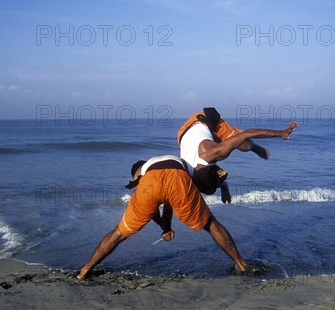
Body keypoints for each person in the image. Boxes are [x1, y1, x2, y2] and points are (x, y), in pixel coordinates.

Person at [77, 155, 248, 279]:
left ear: (135, 172)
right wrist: (166, 227)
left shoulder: (141, 174)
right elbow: (169, 199)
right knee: (210, 223)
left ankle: (85, 270)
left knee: (119, 233)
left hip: (150, 183)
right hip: (178, 177)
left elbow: (152, 208)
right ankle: (241, 265)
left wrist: (164, 227)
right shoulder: (164, 160)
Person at [178, 108, 299, 200]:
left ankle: (255, 148)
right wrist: (224, 187)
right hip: (183, 132)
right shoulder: (184, 172)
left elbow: (247, 133)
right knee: (208, 180)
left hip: (203, 120)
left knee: (244, 144)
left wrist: (280, 133)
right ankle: (222, 181)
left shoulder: (216, 152)